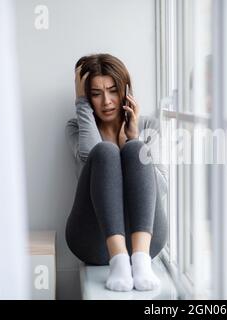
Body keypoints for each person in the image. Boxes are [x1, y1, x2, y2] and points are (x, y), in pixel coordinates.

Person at [64, 53, 168, 292]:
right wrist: (81, 104)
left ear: (126, 90)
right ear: (86, 98)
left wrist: (133, 140)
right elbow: (91, 157)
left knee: (136, 149)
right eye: (95, 94)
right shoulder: (77, 127)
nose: (107, 102)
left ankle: (139, 262)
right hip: (94, 241)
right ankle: (119, 260)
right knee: (105, 152)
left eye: (112, 90)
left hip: (146, 242)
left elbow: (161, 189)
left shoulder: (149, 126)